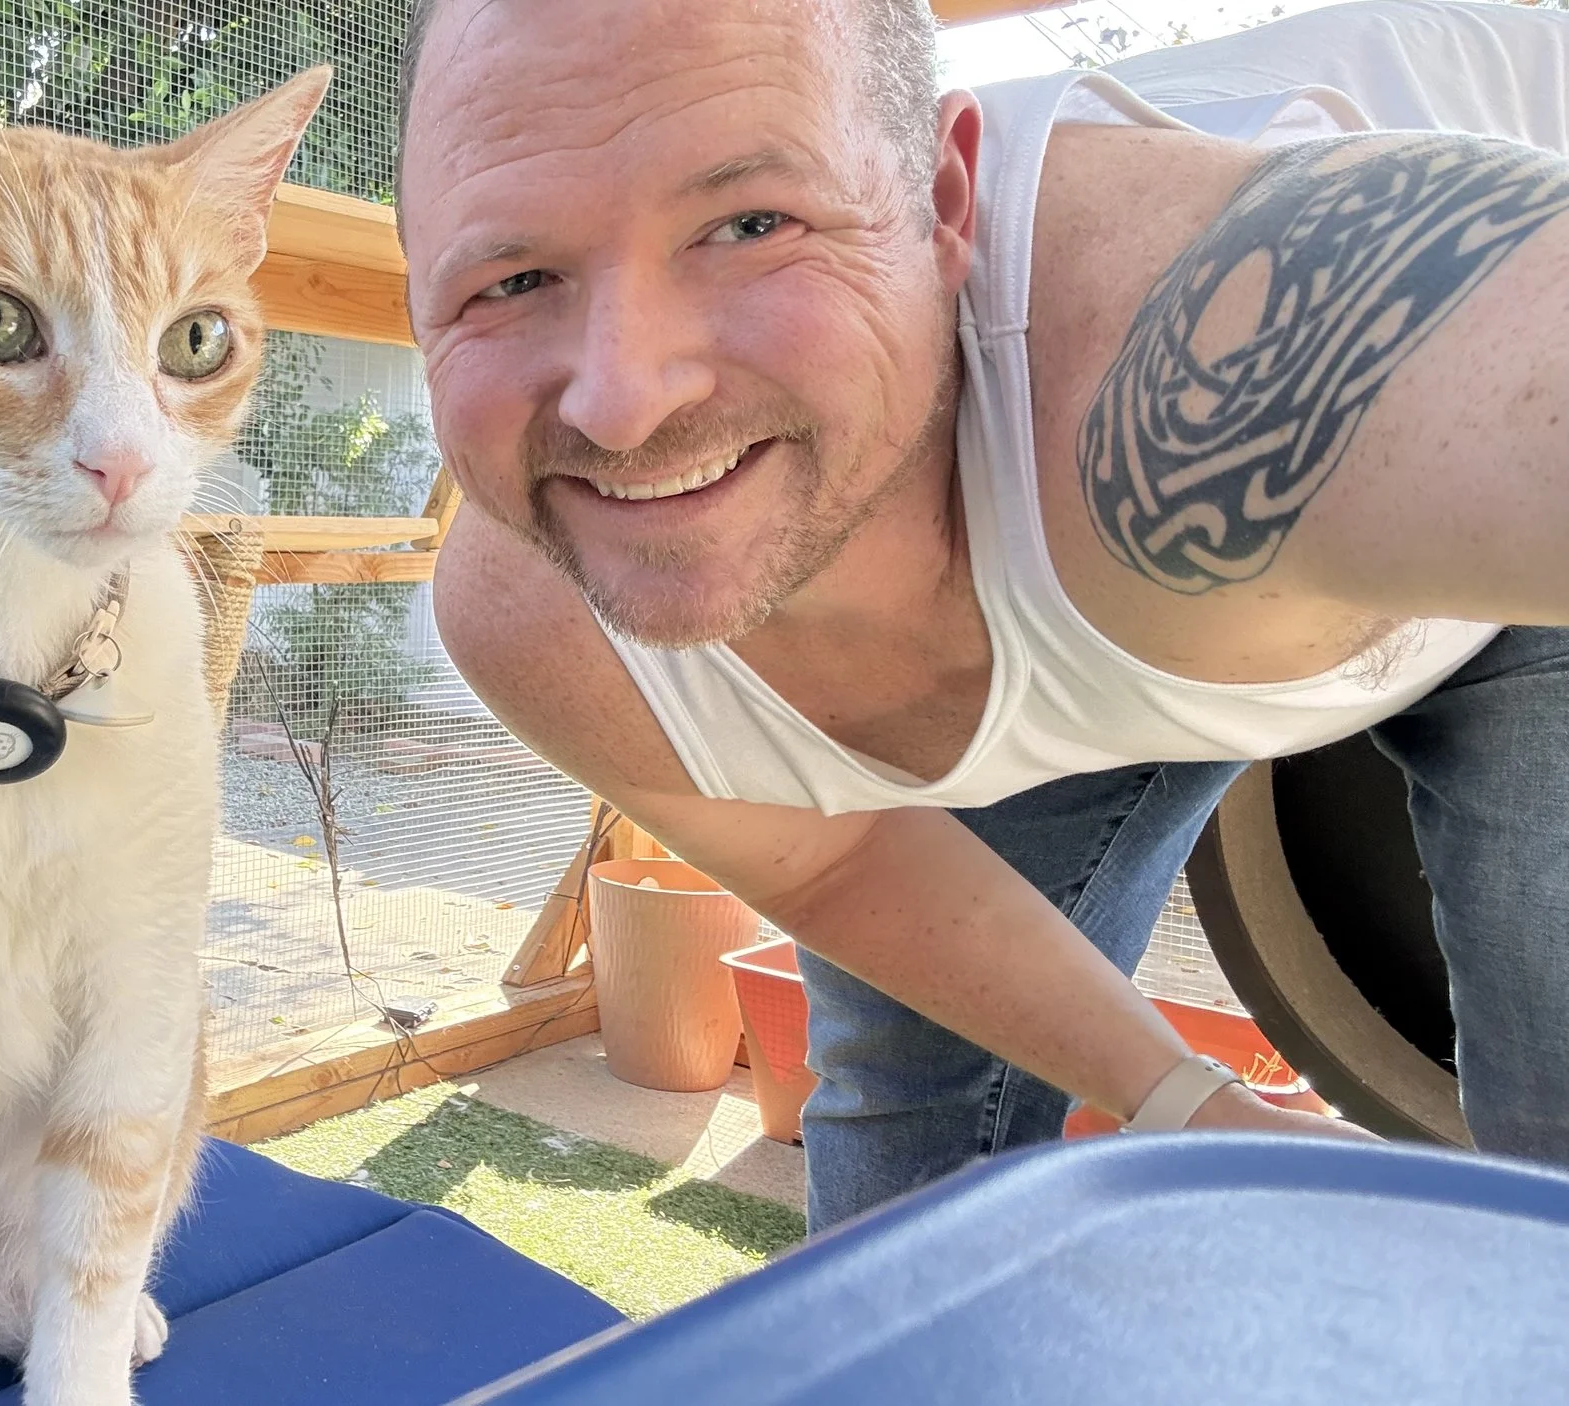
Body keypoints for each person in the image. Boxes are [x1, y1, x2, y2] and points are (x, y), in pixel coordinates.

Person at [397, 0, 1569, 1231]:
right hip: (1098, 600)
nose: (623, 405)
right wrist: (1191, 1101)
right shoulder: (532, 616)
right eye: (513, 276)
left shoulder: (1207, 376)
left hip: (1482, 575)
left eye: (751, 224)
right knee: (915, 1112)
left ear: (948, 202)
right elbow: (847, 859)